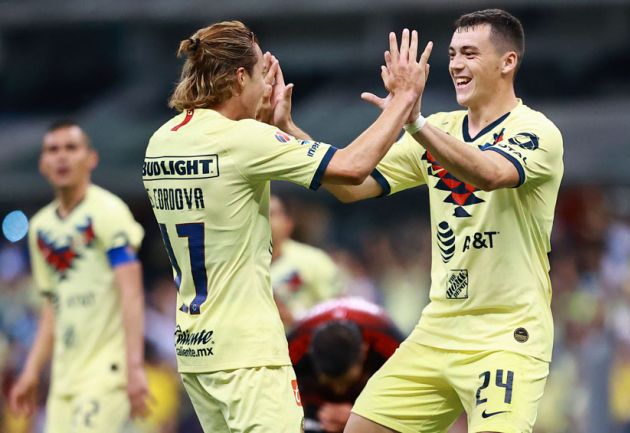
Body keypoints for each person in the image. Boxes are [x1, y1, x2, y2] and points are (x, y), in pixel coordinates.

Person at [142, 21, 431, 432]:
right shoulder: (242, 141)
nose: (267, 87)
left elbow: (225, 179)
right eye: (262, 75)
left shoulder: (162, 141)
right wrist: (404, 99)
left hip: (195, 350)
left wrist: (271, 127)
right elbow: (351, 168)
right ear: (239, 77)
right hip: (249, 354)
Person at [321, 9, 564, 433]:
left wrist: (413, 120)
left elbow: (489, 174)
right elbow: (350, 185)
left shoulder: (537, 132)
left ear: (507, 62)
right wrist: (290, 134)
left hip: (505, 334)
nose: (455, 65)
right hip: (439, 327)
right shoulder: (441, 128)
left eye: (469, 53)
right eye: (452, 54)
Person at [9, 121, 149, 432]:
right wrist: (31, 371)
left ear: (91, 159)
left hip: (106, 372)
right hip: (63, 378)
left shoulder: (109, 212)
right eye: (52, 150)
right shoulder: (40, 227)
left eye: (71, 148)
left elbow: (132, 293)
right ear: (43, 164)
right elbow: (51, 309)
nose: (62, 157)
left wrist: (135, 367)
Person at [288, 298, 403, 433]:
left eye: (346, 381)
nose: (339, 391)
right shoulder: (294, 347)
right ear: (309, 354)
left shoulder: (390, 344)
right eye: (330, 382)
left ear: (364, 352)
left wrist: (363, 415)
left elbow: (411, 401)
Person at [270, 194, 343, 329]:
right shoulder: (239, 266)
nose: (264, 221)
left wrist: (292, 317)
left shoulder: (314, 260)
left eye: (271, 214)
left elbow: (338, 311)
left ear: (288, 223)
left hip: (303, 345)